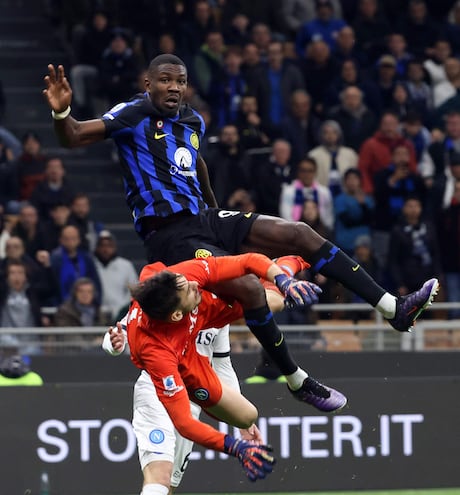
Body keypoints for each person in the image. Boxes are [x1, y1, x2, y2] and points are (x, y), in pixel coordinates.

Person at [44, 55, 438, 377]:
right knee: (250, 286)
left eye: (180, 81)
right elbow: (76, 135)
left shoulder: (192, 121)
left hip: (205, 218)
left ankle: (393, 308)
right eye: (165, 80)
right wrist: (63, 114)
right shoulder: (133, 114)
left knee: (299, 232)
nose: (174, 87)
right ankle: (292, 376)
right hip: (168, 233)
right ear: (149, 85)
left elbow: (196, 166)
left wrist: (216, 211)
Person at [113, 252, 344, 491]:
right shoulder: (157, 352)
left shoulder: (179, 279)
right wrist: (234, 446)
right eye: (190, 291)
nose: (195, 285)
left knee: (247, 416)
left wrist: (282, 280)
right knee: (162, 479)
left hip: (202, 330)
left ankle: (290, 262)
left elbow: (246, 261)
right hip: (180, 370)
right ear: (176, 315)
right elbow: (184, 423)